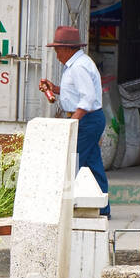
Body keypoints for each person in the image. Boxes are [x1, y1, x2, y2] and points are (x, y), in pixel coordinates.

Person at [38, 25, 111, 217]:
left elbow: (86, 100)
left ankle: (62, 208)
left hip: (86, 120)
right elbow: (78, 93)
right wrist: (55, 89)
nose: (56, 55)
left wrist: (71, 123)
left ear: (67, 49)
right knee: (92, 164)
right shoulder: (78, 64)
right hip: (89, 120)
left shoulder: (78, 67)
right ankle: (103, 209)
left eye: (57, 50)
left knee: (72, 163)